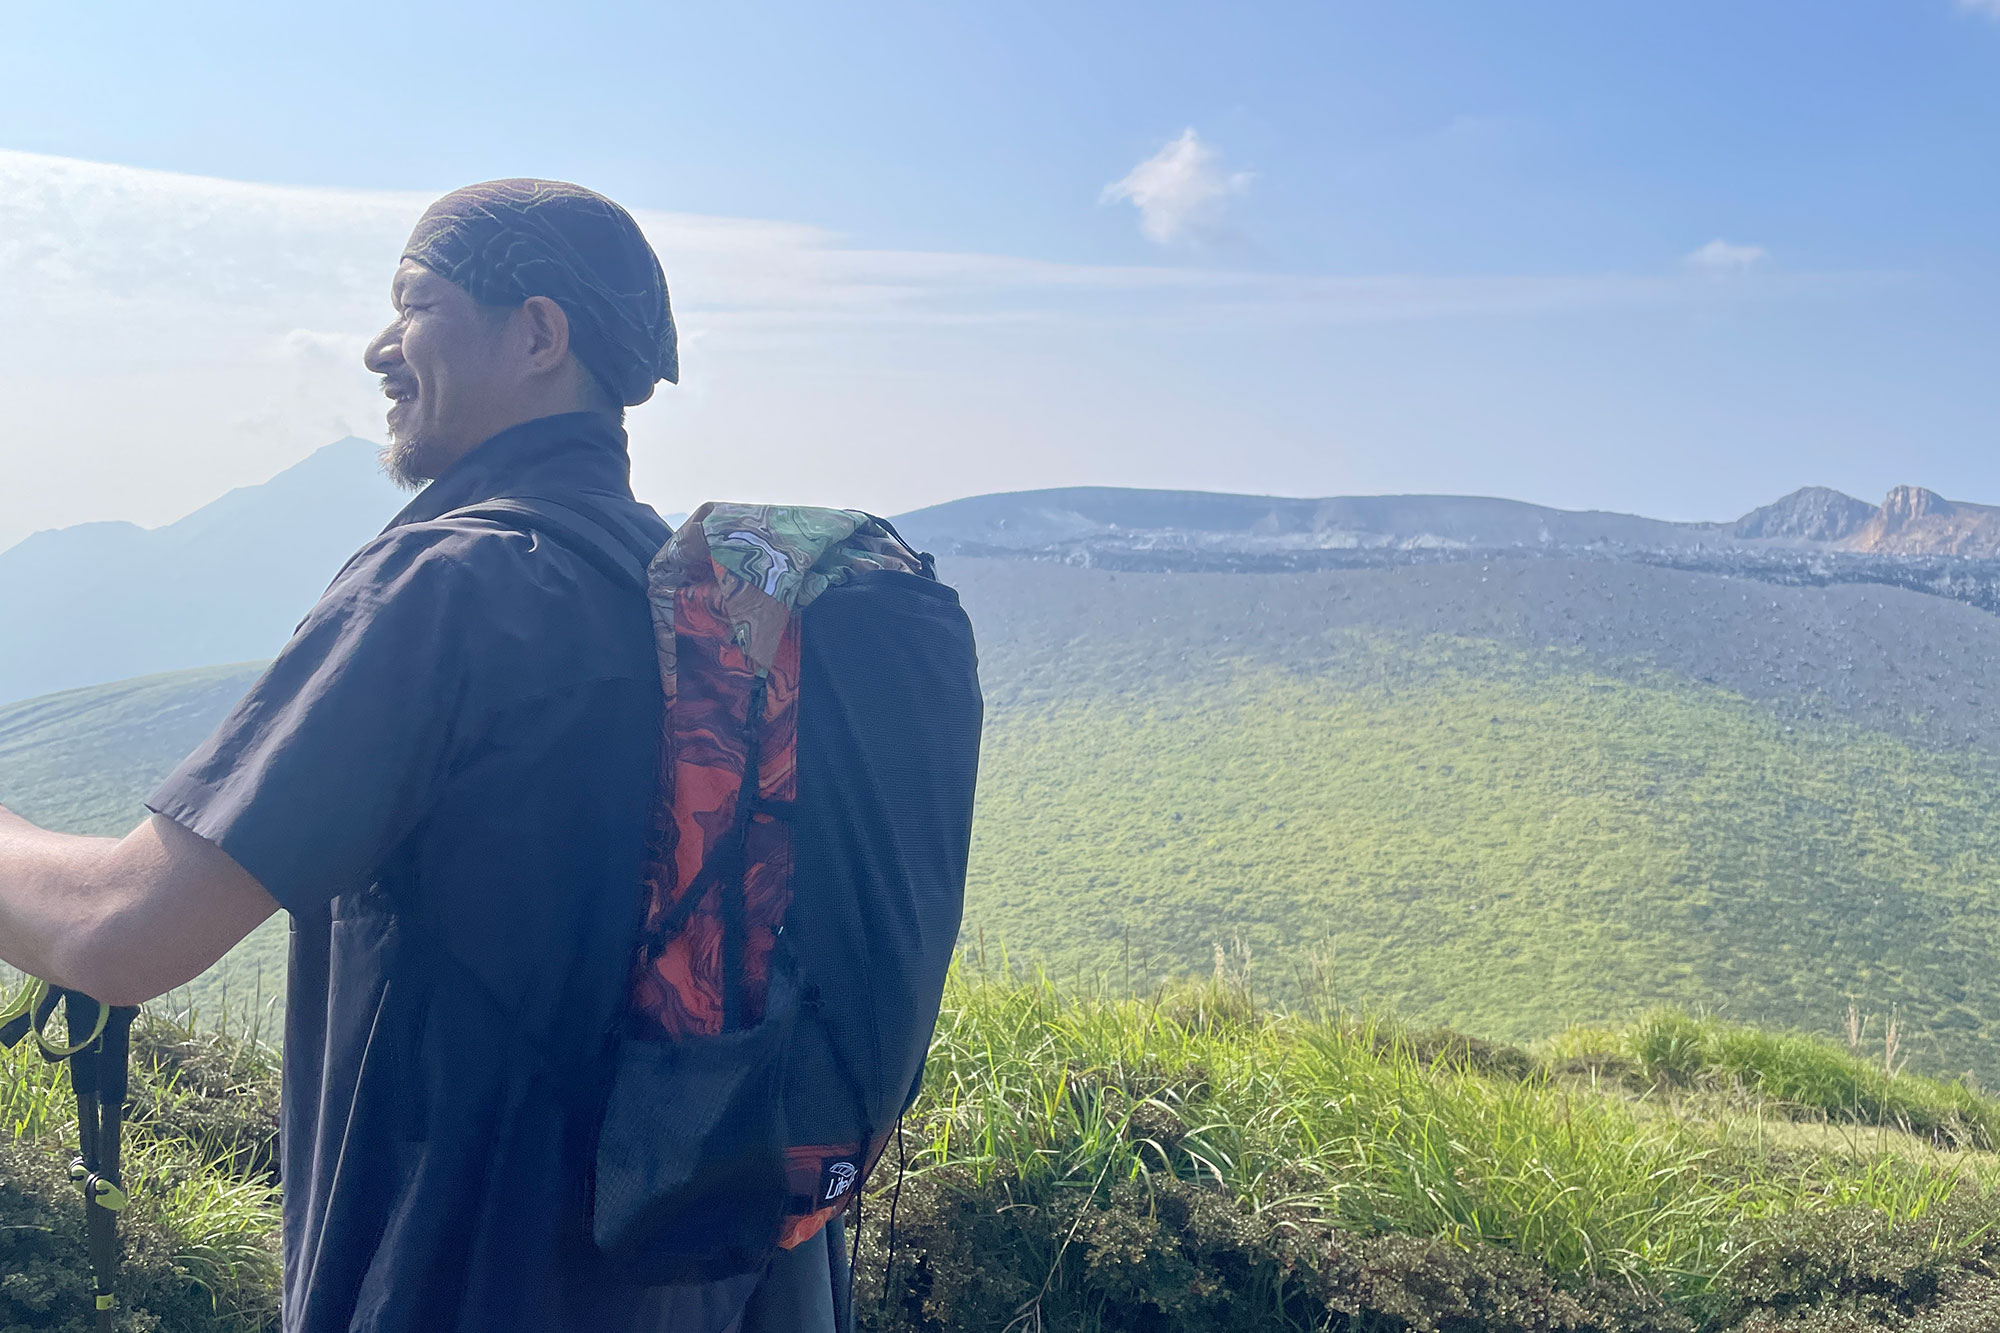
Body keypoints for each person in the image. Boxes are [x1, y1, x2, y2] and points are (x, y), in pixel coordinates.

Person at [0, 180, 835, 1332]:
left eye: (415, 304)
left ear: (539, 334)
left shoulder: (453, 589)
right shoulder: (692, 610)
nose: (377, 348)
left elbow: (121, 927)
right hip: (676, 1288)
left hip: (456, 1286)